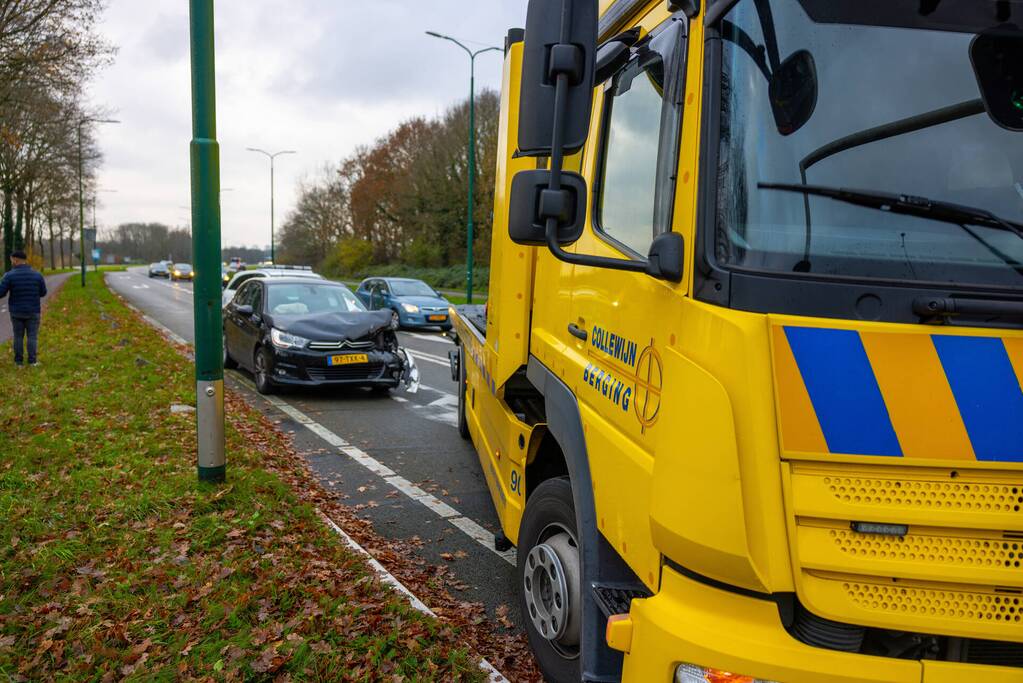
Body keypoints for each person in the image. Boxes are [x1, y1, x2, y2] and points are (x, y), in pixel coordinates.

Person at [0, 250, 47, 367]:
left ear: (15, 260)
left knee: (18, 336)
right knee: (32, 336)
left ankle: (18, 362)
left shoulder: (9, 275)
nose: (11, 262)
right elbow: (43, 292)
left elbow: (1, 293)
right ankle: (32, 361)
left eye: (12, 260)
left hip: (16, 311)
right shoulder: (37, 275)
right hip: (33, 310)